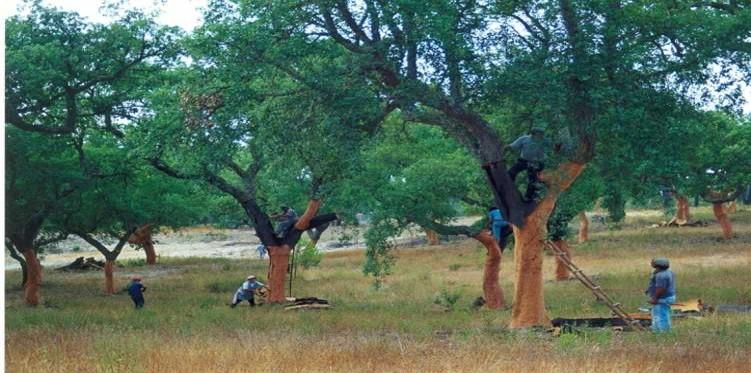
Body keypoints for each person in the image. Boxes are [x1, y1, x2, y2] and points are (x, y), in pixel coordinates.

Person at [505, 127, 552, 201]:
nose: (541, 136)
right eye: (539, 134)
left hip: (537, 163)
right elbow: (513, 146)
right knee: (511, 172)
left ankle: (529, 197)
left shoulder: (544, 141)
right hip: (524, 160)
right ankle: (509, 188)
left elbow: (554, 146)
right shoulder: (524, 139)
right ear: (533, 134)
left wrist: (558, 147)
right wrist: (506, 148)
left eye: (542, 134)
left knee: (532, 180)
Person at [645, 257, 676, 332]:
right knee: (664, 315)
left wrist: (655, 299)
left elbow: (660, 289)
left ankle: (661, 333)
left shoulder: (661, 275)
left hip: (662, 298)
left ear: (658, 266)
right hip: (668, 297)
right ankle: (666, 330)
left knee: (659, 316)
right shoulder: (668, 271)